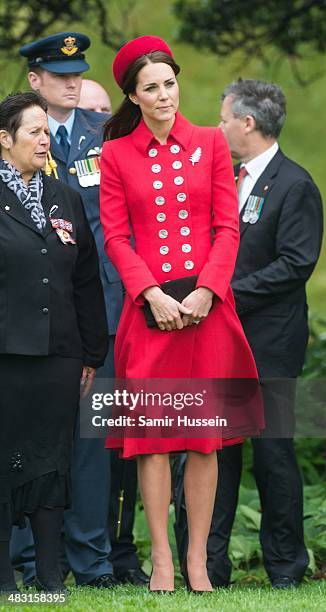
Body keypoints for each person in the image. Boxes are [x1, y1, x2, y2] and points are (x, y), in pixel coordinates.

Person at [100, 36, 263, 593]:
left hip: (206, 311)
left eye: (170, 83)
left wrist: (207, 291)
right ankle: (162, 562)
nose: (165, 95)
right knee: (153, 439)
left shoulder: (212, 143)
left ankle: (197, 562)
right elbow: (117, 238)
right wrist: (151, 293)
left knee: (202, 437)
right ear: (133, 95)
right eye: (152, 87)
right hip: (151, 313)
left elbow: (227, 226)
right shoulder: (117, 154)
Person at [174, 79, 323, 589]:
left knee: (273, 454)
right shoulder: (221, 179)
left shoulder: (295, 185)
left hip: (269, 347)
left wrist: (221, 291)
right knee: (213, 451)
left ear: (248, 123)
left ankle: (284, 568)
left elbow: (295, 264)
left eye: (222, 119)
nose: (216, 128)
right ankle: (208, 567)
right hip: (216, 342)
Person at [12, 31, 123, 589]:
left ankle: (92, 560)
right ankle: (29, 560)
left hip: (93, 311)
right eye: (60, 75)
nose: (73, 82)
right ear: (36, 80)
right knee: (27, 438)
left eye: (77, 73)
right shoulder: (17, 139)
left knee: (89, 439)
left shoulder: (104, 135)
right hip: (26, 320)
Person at [0, 91, 108, 594]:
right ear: (5, 140)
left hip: (59, 355)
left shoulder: (61, 194)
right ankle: (4, 579)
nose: (45, 141)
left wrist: (91, 352)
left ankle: (48, 577)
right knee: (4, 460)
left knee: (50, 463)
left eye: (47, 132)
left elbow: (86, 276)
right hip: (6, 354)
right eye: (34, 133)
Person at [78, 78, 149, 586]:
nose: (100, 122)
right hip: (74, 324)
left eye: (105, 111)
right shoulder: (60, 157)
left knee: (117, 449)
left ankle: (116, 551)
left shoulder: (119, 158)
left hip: (126, 317)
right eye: (90, 112)